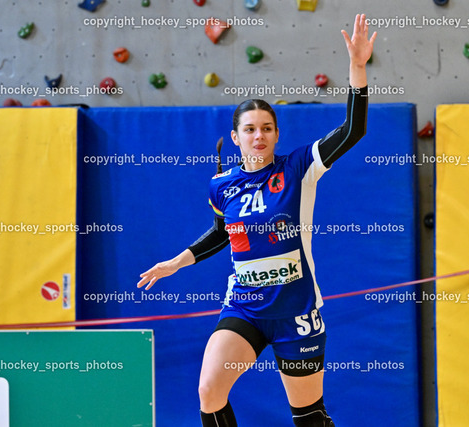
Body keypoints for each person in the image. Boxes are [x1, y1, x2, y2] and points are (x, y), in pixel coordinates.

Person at [138, 14, 376, 427]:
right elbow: (221, 233)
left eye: (267, 128)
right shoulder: (222, 185)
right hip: (245, 307)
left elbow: (353, 130)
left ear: (277, 134)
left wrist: (357, 67)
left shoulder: (300, 167)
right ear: (236, 137)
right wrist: (177, 262)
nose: (259, 136)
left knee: (309, 417)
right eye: (249, 129)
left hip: (295, 311)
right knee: (209, 391)